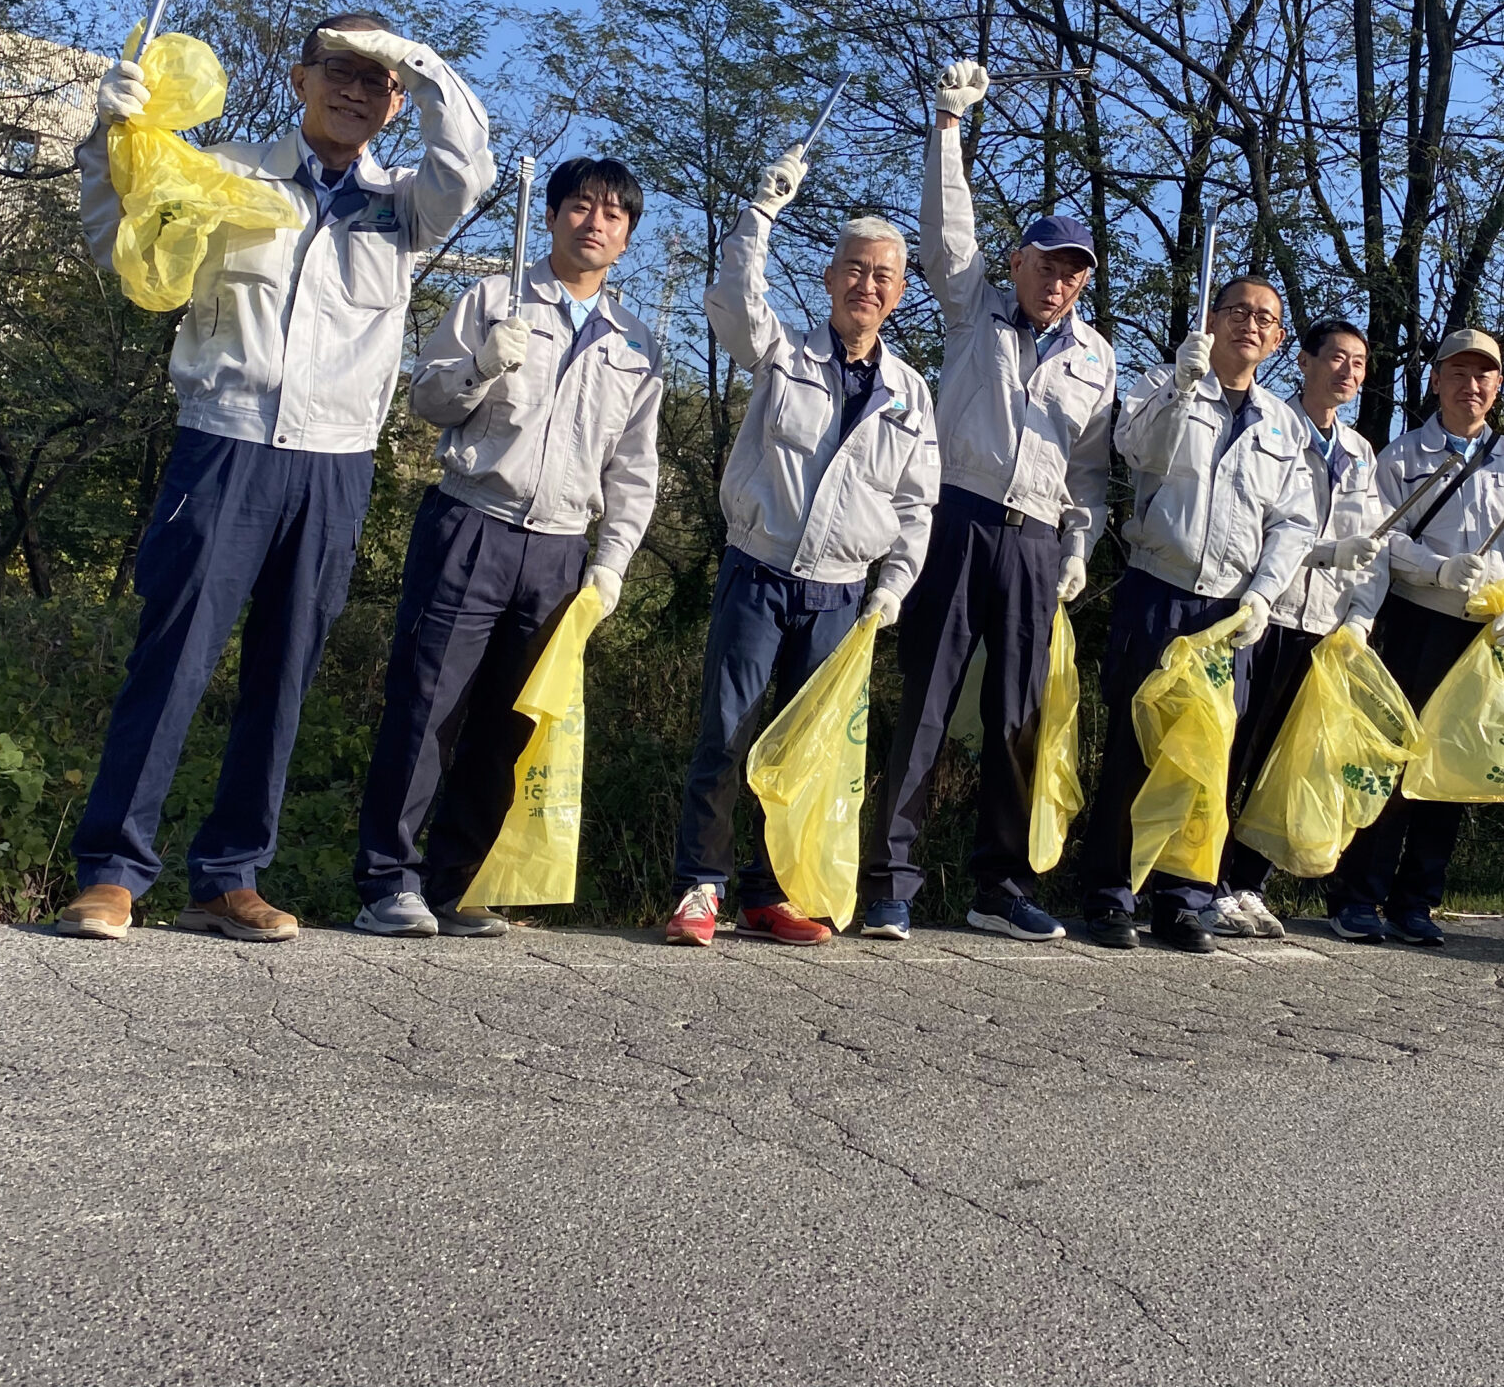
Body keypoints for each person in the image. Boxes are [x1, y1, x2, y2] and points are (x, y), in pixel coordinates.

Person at [57, 15, 495, 941]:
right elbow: (117, 245)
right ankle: (114, 872)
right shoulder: (229, 172)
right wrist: (108, 142)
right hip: (224, 442)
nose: (357, 91)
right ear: (300, 79)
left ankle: (229, 876)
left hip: (335, 464)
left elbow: (472, 166)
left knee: (284, 671)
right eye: (339, 71)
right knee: (173, 658)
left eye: (377, 82)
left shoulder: (403, 204)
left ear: (394, 101)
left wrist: (414, 58)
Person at [349, 157, 663, 937]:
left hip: (560, 553)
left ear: (627, 237)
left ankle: (458, 884)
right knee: (427, 708)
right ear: (553, 215)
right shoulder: (494, 300)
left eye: (614, 215)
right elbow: (425, 399)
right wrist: (483, 366)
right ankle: (388, 881)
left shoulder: (637, 344)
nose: (596, 223)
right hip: (470, 524)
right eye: (582, 207)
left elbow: (634, 470)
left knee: (510, 725)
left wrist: (612, 563)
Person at [860, 60, 1117, 944]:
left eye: (1075, 271)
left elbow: (1089, 470)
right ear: (1019, 262)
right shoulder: (974, 309)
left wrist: (1081, 544)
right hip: (957, 519)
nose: (1061, 281)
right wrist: (946, 126)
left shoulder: (1096, 359)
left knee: (1019, 713)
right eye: (1049, 264)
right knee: (928, 700)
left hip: (1037, 544)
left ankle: (998, 887)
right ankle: (888, 881)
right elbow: (943, 230)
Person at [666, 149, 941, 948]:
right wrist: (761, 213)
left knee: (808, 753)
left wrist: (891, 591)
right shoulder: (783, 354)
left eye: (883, 276)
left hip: (843, 595)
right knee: (728, 731)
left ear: (898, 292)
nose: (867, 285)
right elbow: (729, 303)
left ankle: (772, 892)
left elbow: (916, 506)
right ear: (829, 279)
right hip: (760, 572)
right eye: (854, 270)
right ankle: (700, 887)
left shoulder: (910, 394)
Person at [1081, 274, 1317, 953]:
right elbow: (1134, 448)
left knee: (1205, 764)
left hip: (1228, 614)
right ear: (1212, 320)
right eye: (1237, 310)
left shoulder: (1281, 423)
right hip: (1158, 592)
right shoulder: (1167, 381)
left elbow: (1296, 521)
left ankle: (1181, 900)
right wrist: (1180, 391)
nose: (1250, 323)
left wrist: (1263, 596)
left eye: (1264, 318)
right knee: (1135, 749)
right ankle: (1109, 894)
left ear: (1276, 341)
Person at [1327, 328, 1504, 946]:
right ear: (1435, 380)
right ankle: (1357, 897)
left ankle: (1418, 902)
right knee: (1393, 763)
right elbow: (1379, 540)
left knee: (1455, 769)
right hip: (1414, 623)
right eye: (1458, 373)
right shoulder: (1401, 457)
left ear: (1498, 386)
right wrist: (1436, 568)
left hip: (1485, 636)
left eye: (1483, 374)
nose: (1471, 385)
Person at [1211, 318, 1389, 940]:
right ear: (1305, 363)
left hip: (1323, 627)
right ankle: (1201, 880)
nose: (1348, 371)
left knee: (1283, 765)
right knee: (1233, 751)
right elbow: (1254, 525)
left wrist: (1360, 618)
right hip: (1265, 613)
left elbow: (1378, 549)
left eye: (1359, 364)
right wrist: (1317, 556)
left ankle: (1247, 883)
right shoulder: (1270, 425)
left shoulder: (1363, 453)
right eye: (1336, 358)